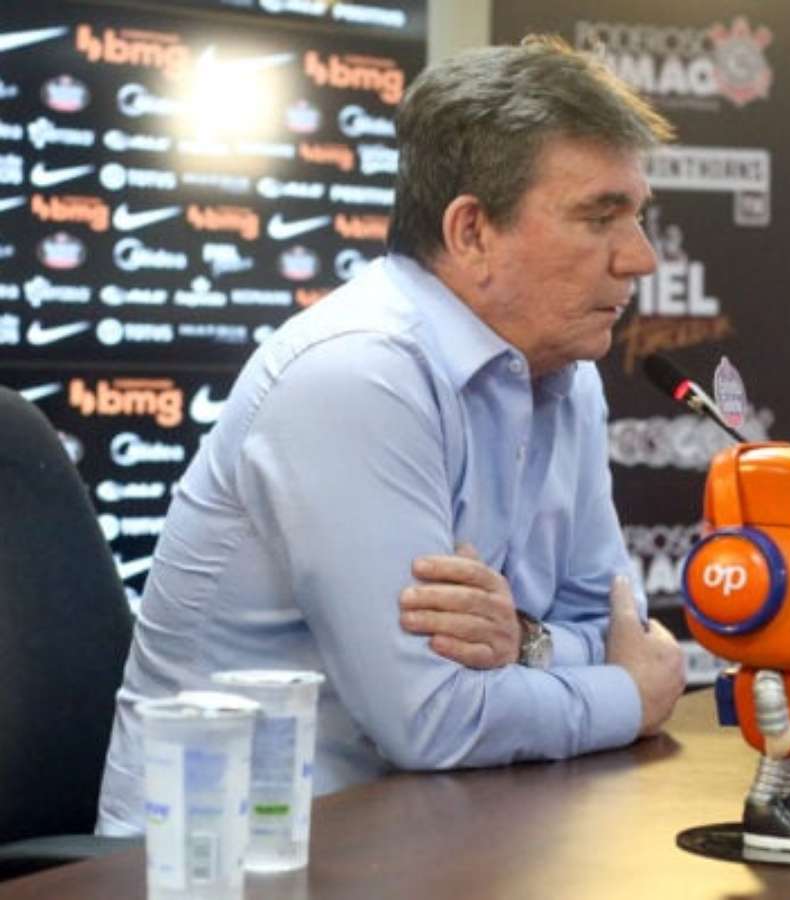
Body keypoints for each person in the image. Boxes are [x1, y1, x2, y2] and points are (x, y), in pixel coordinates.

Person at [96, 36, 686, 835]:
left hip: (423, 833)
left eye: (637, 216)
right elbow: (433, 718)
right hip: (225, 854)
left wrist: (525, 643)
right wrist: (629, 696)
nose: (641, 258)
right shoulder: (357, 373)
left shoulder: (564, 371)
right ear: (472, 231)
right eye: (599, 217)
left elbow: (616, 627)